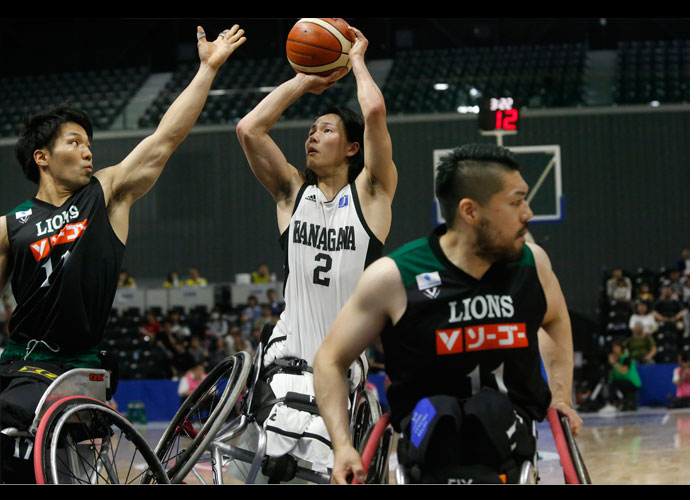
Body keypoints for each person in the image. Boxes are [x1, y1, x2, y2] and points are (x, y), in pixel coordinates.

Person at [0, 24, 246, 483]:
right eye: (74, 141)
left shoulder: (106, 193)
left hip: (76, 366)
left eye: (88, 142)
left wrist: (208, 69)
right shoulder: (8, 226)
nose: (87, 150)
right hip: (20, 360)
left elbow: (165, 138)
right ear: (42, 157)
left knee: (14, 412)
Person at [313, 143, 581, 484]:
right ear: (470, 211)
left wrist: (561, 395)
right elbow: (329, 359)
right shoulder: (395, 276)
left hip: (509, 438)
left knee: (492, 413)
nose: (527, 213)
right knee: (439, 417)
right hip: (427, 441)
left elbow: (555, 319)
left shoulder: (533, 264)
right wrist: (342, 445)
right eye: (516, 202)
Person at [234, 24, 397, 478]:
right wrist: (305, 79)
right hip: (288, 354)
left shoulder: (372, 194)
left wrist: (357, 61)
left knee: (318, 471)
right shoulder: (292, 193)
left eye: (325, 130)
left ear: (351, 148)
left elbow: (376, 112)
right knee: (266, 465)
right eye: (310, 129)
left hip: (342, 364)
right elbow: (249, 129)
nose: (311, 135)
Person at [599, 340, 642, 414]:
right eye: (613, 347)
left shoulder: (626, 358)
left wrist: (614, 363)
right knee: (611, 383)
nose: (614, 349)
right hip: (622, 382)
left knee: (615, 383)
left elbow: (624, 371)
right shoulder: (616, 360)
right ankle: (616, 403)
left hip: (633, 383)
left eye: (616, 347)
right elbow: (613, 375)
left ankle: (612, 404)